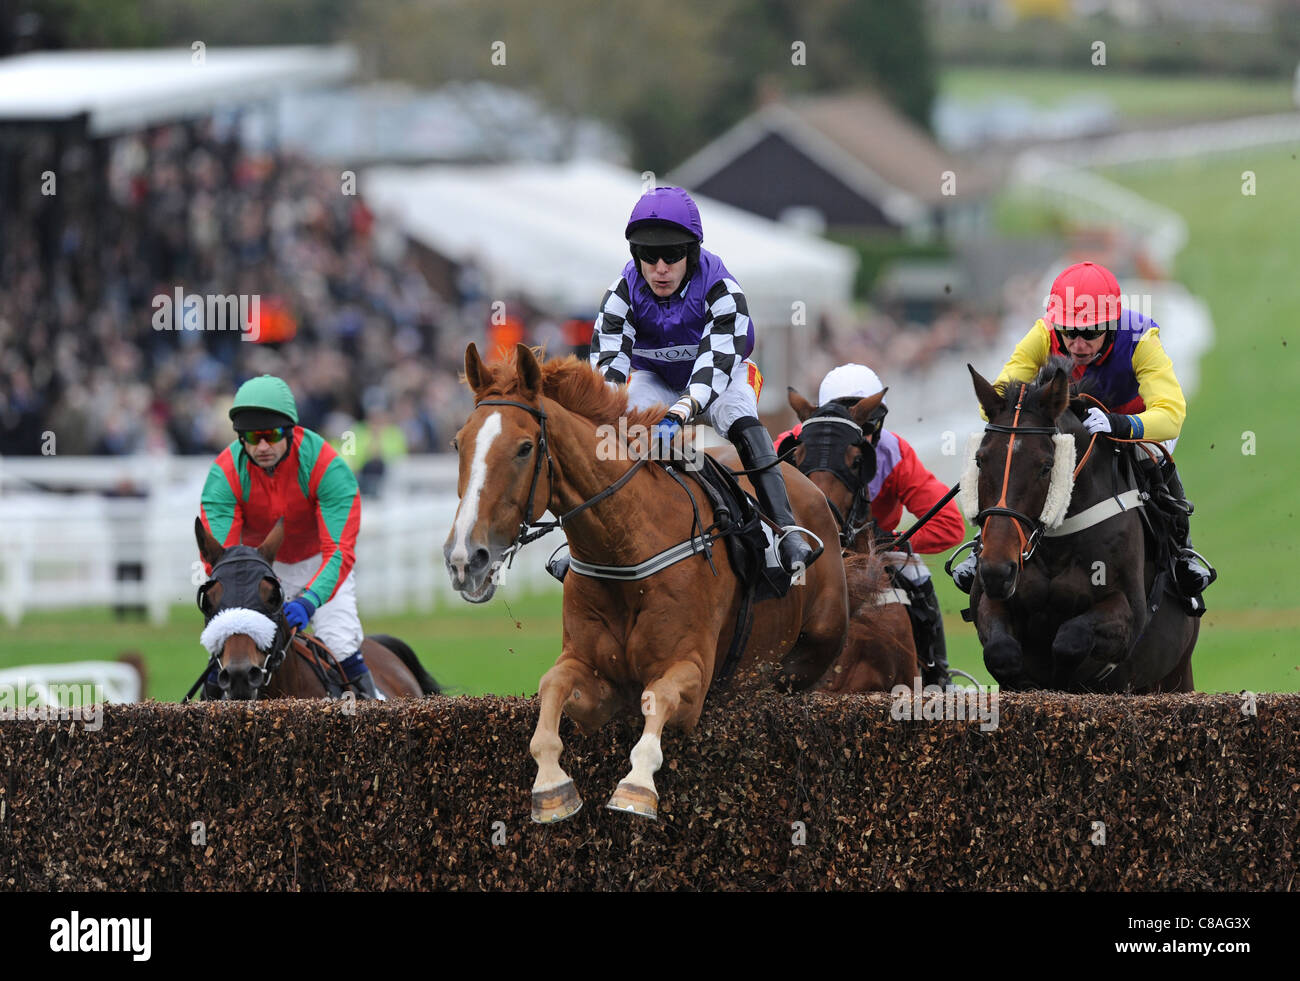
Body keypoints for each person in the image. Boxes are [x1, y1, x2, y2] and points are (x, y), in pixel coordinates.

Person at [583, 185, 817, 576]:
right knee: (619, 431)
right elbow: (608, 370)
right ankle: (596, 538)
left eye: (672, 255)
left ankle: (786, 528)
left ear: (691, 254)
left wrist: (676, 417)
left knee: (739, 416)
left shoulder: (723, 289)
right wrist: (611, 423)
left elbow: (711, 371)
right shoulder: (619, 294)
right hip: (656, 377)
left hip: (724, 374)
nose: (660, 267)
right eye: (647, 255)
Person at [951, 261, 1214, 604]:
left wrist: (1121, 424)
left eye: (1090, 333)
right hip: (1070, 420)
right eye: (1069, 332)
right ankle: (983, 544)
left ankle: (1181, 552)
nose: (1077, 344)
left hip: (1132, 420)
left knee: (1151, 457)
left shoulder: (1141, 338)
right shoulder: (1044, 332)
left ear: (1112, 324)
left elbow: (1170, 415)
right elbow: (1001, 394)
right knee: (1011, 452)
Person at [775, 364, 967, 687]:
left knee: (918, 575)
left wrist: (888, 540)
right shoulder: (790, 444)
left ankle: (937, 677)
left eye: (868, 424)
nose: (862, 433)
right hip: (805, 547)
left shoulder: (895, 452)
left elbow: (950, 524)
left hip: (874, 552)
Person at [199, 374, 381, 699]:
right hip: (256, 570)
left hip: (320, 564)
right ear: (240, 438)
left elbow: (338, 553)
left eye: (272, 435)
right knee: (228, 650)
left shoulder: (329, 468)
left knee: (339, 642)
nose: (263, 446)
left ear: (292, 430)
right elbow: (221, 558)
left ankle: (375, 717)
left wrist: (310, 600)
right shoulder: (224, 473)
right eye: (253, 437)